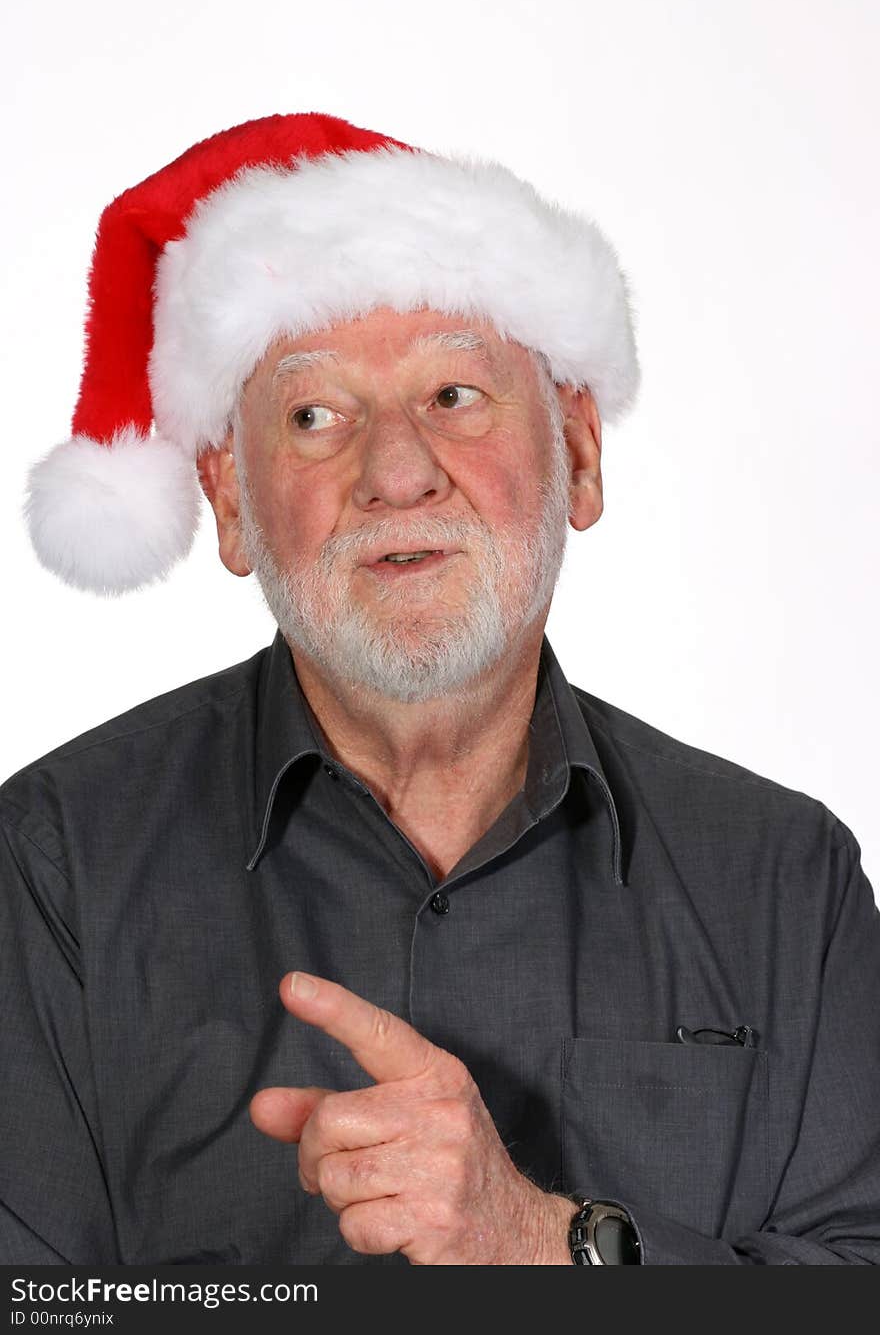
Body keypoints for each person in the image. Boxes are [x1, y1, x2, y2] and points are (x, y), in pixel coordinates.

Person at [3, 113, 878, 1266]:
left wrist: (543, 1243)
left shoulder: (783, 881)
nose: (397, 470)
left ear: (581, 450)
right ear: (228, 502)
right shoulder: (56, 863)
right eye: (315, 415)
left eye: (456, 393)